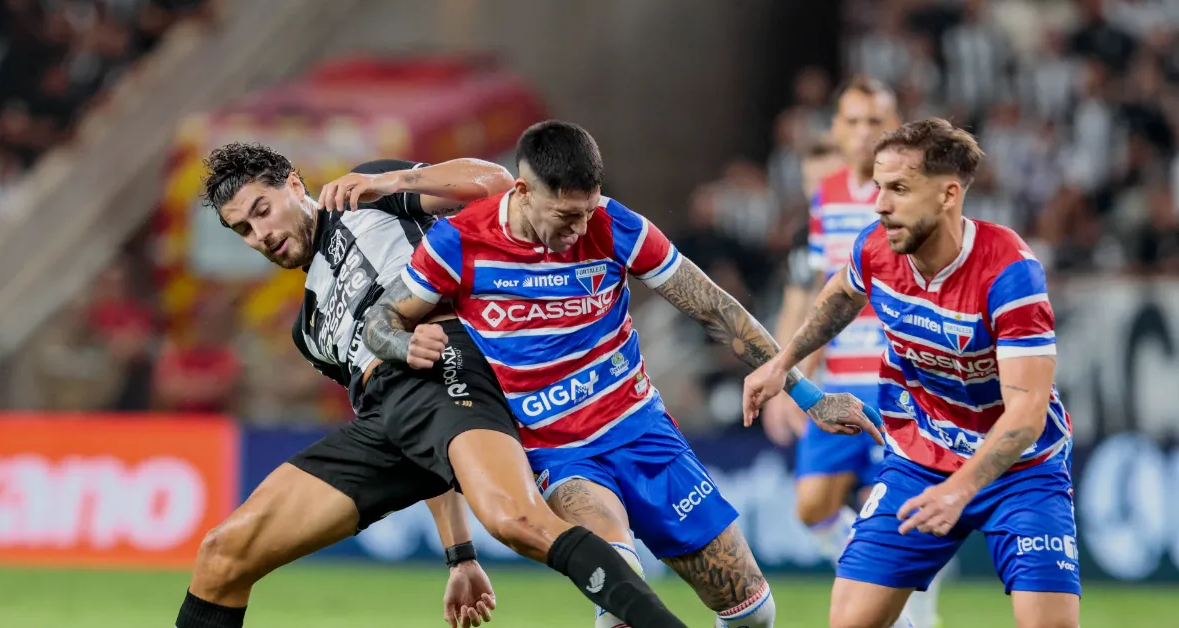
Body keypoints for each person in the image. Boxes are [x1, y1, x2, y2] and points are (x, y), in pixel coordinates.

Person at [359, 120, 883, 628]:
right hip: (557, 453)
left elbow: (716, 310)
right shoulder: (459, 241)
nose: (580, 228)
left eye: (587, 211)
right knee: (621, 591)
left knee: (754, 612)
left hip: (643, 431)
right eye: (567, 216)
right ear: (522, 190)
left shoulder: (614, 225)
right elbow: (379, 322)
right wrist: (405, 345)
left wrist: (810, 395)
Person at [175, 143, 688, 628]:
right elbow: (426, 447)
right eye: (241, 229)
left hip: (446, 364)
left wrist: (391, 179)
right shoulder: (307, 328)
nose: (258, 234)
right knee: (223, 554)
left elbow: (496, 184)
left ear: (293, 184)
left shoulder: (369, 196)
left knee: (517, 521)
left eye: (262, 210)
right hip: (388, 418)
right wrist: (459, 556)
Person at [743, 118, 1079, 628]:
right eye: (878, 187)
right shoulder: (877, 247)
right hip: (920, 458)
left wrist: (961, 488)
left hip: (1022, 471)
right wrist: (783, 363)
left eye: (898, 188)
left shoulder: (1009, 271)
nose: (879, 204)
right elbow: (839, 296)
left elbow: (1027, 413)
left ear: (948, 194)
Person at [763, 77, 943, 628]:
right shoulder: (827, 195)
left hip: (898, 381)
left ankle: (908, 604)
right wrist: (794, 380)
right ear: (836, 129)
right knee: (812, 505)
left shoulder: (911, 192)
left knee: (907, 508)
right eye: (854, 121)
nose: (864, 133)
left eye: (876, 122)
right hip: (840, 381)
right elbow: (824, 294)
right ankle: (898, 592)